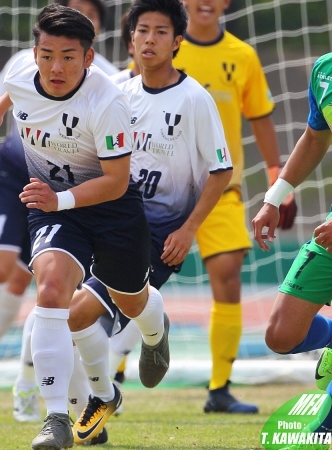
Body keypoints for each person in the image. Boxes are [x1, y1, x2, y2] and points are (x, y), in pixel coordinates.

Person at [0, 5, 165, 449]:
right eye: (46, 55)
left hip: (112, 208)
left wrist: (59, 198)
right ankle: (57, 417)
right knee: (51, 290)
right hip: (53, 207)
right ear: (34, 52)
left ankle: (156, 334)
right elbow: (15, 87)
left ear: (89, 57)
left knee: (132, 300)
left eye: (67, 56)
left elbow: (117, 182)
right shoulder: (24, 73)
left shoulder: (107, 101)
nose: (55, 67)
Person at [0, 0, 119, 401]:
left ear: (95, 33)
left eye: (87, 12)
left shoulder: (105, 78)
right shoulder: (25, 61)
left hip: (60, 182)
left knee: (25, 278)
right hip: (13, 170)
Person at [67, 0, 233, 444]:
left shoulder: (195, 98)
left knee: (80, 312)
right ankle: (107, 392)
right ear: (130, 38)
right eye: (143, 31)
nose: (150, 39)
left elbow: (222, 170)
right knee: (68, 320)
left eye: (161, 32)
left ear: (177, 42)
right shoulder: (114, 89)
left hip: (159, 234)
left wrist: (189, 229)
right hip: (107, 220)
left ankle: (120, 372)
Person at [161, 0, 297, 414]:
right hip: (164, 190)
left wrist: (278, 177)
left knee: (228, 275)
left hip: (223, 189)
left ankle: (219, 387)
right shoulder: (165, 45)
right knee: (137, 281)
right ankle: (114, 375)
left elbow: (260, 118)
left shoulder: (243, 55)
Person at [252, 52, 332, 450]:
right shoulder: (325, 70)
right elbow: (316, 137)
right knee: (281, 336)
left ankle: (326, 427)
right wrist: (275, 198)